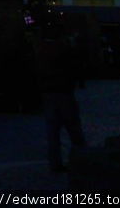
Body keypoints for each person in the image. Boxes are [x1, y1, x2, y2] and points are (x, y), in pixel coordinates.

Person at [35, 23, 87, 172]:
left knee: (52, 132)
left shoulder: (40, 50)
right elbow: (75, 67)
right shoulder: (64, 49)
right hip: (63, 93)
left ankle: (55, 163)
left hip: (47, 93)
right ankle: (82, 161)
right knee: (74, 130)